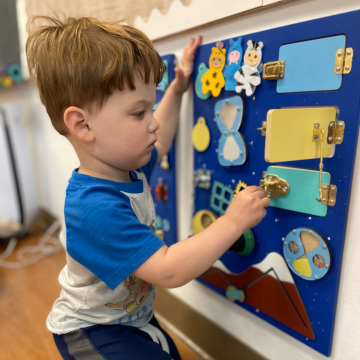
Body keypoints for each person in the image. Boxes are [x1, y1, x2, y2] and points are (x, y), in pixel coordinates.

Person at [26, 16, 270, 360]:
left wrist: (177, 90)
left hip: (131, 317)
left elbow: (164, 136)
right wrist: (233, 222)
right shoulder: (93, 206)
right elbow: (168, 269)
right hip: (92, 330)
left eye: (151, 107)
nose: (152, 121)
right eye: (139, 113)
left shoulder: (128, 167)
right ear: (82, 125)